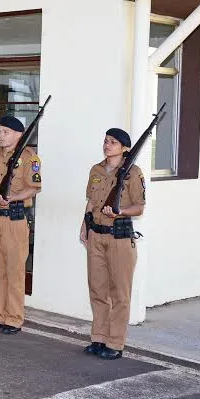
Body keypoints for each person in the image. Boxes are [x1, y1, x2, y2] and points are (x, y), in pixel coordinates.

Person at [79, 128, 145, 360]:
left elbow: (139, 207)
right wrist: (84, 225)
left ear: (124, 148)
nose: (107, 145)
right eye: (106, 141)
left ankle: (115, 343)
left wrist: (120, 211)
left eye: (113, 142)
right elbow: (90, 202)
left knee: (120, 293)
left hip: (119, 238)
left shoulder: (133, 173)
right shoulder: (96, 170)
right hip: (96, 235)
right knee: (97, 289)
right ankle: (98, 338)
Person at [0, 116, 42, 335]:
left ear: (18, 135)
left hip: (14, 219)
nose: (0, 135)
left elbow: (33, 189)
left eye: (5, 132)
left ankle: (14, 318)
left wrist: (12, 198)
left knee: (14, 270)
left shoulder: (29, 158)